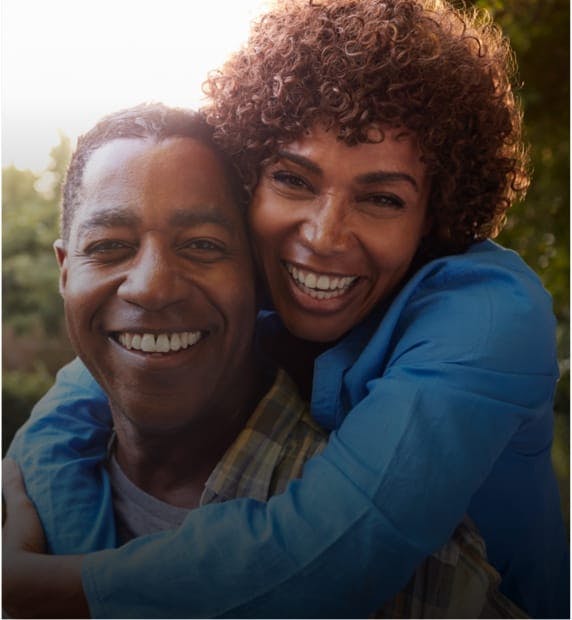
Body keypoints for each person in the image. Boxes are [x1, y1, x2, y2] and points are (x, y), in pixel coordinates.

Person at [6, 0, 568, 618]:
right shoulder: (267, 273)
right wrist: (24, 477)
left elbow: (329, 554)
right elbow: (96, 377)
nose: (325, 235)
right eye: (294, 180)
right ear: (251, 179)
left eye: (381, 197)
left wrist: (37, 590)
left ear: (434, 216)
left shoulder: (488, 317)